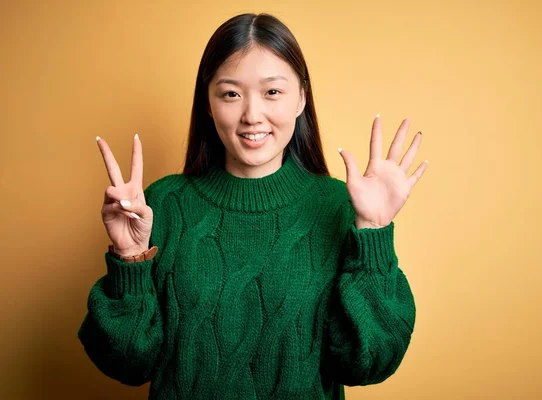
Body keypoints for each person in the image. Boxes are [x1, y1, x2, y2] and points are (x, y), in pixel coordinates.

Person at [78, 12, 428, 400]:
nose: (251, 115)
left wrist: (374, 232)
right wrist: (129, 258)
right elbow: (127, 365)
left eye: (272, 92)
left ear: (301, 98)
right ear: (208, 104)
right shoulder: (161, 206)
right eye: (231, 93)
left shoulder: (341, 208)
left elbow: (369, 363)